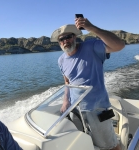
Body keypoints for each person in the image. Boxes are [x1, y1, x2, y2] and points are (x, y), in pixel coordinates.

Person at [50, 17, 125, 150]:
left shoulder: (92, 46)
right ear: (59, 43)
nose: (65, 41)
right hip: (75, 109)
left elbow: (119, 45)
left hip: (97, 108)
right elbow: (67, 81)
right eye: (61, 39)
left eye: (68, 37)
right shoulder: (61, 60)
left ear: (75, 37)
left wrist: (92, 28)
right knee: (84, 143)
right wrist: (65, 101)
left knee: (110, 145)